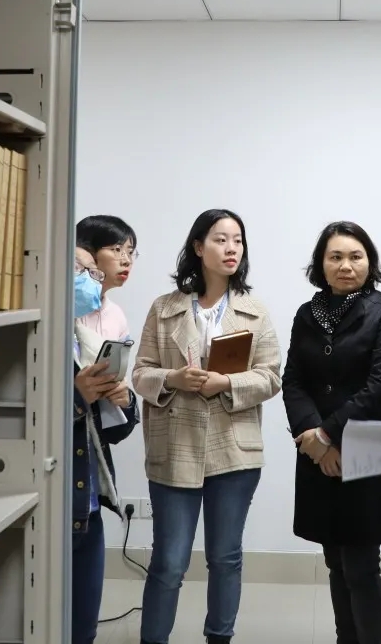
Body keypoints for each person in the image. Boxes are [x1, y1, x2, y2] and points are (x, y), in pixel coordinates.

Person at [131, 209, 282, 644]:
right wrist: (172, 379)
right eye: (220, 239)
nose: (232, 248)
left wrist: (226, 383)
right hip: (175, 446)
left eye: (238, 240)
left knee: (225, 557)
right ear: (198, 247)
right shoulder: (164, 308)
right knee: (169, 561)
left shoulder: (254, 312)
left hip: (233, 450)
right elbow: (140, 373)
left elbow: (271, 377)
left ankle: (219, 638)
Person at [283, 221, 381, 644]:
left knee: (361, 564)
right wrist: (312, 436)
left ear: (370, 262)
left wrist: (327, 436)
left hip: (369, 446)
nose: (346, 265)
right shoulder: (307, 314)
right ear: (321, 264)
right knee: (335, 560)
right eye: (335, 257)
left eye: (356, 256)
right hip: (316, 449)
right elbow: (294, 381)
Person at [71, 246, 139, 644]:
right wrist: (76, 397)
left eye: (93, 274)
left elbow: (112, 432)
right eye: (81, 270)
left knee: (83, 626)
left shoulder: (90, 339)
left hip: (90, 498)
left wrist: (124, 401)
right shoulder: (33, 338)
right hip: (57, 499)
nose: (90, 281)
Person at [76, 214, 139, 342]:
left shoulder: (117, 316)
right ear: (86, 251)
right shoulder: (62, 308)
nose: (127, 261)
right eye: (117, 249)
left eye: (130, 253)